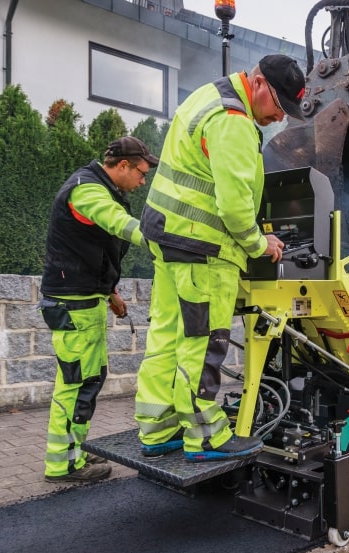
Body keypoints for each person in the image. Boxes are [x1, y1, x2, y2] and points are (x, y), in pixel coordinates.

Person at [134, 55, 305, 461]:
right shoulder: (234, 121)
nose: (278, 117)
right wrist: (261, 245)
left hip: (168, 238)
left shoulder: (207, 96)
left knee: (167, 336)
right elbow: (232, 206)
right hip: (202, 248)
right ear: (259, 84)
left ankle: (157, 429)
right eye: (278, 105)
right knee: (204, 342)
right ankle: (206, 437)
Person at [40, 136, 159, 482]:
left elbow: (94, 248)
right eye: (141, 172)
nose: (142, 181)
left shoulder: (101, 188)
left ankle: (72, 455)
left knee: (87, 378)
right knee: (76, 383)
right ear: (122, 165)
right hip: (73, 305)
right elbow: (114, 222)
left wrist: (110, 293)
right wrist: (165, 238)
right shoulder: (87, 190)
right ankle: (61, 464)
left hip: (84, 300)